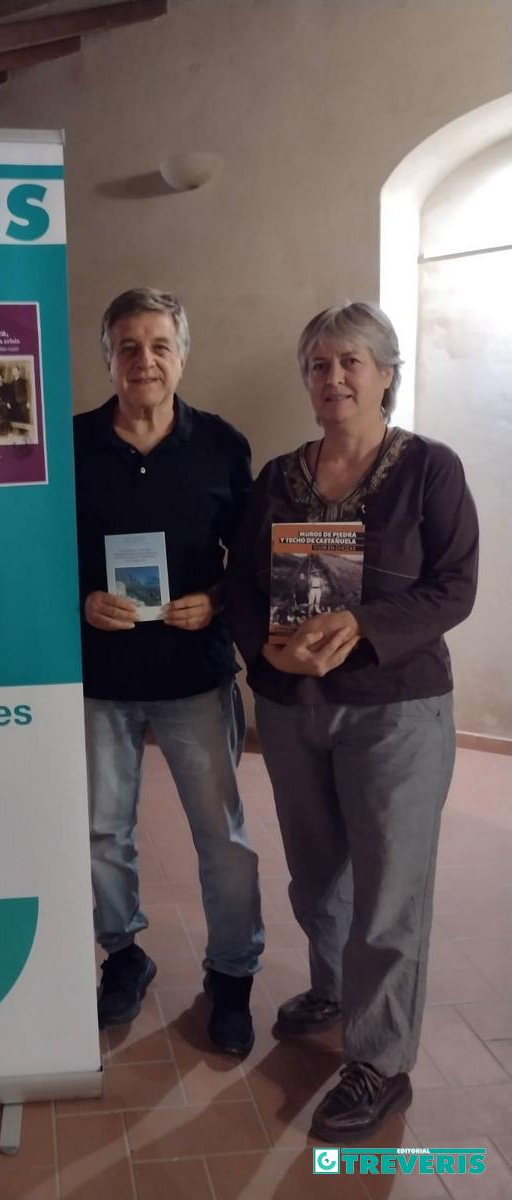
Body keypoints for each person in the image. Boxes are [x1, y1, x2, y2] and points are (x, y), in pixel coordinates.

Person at [226, 301, 478, 1141]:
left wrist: (363, 627)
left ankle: (378, 1061)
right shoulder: (277, 476)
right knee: (316, 869)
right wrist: (266, 653)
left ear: (385, 375)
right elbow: (243, 587)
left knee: (389, 889)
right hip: (295, 707)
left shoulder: (429, 470)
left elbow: (455, 586)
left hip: (395, 712)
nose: (333, 379)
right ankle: (335, 987)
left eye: (351, 363)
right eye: (318, 365)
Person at [74, 287, 264, 1055]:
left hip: (193, 672)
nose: (143, 360)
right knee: (100, 832)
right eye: (127, 345)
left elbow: (249, 564)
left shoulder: (222, 445)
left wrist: (215, 599)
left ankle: (231, 976)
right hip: (99, 676)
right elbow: (39, 551)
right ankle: (124, 956)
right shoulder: (72, 443)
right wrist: (80, 599)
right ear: (108, 357)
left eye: (159, 345)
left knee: (221, 836)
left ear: (182, 354)